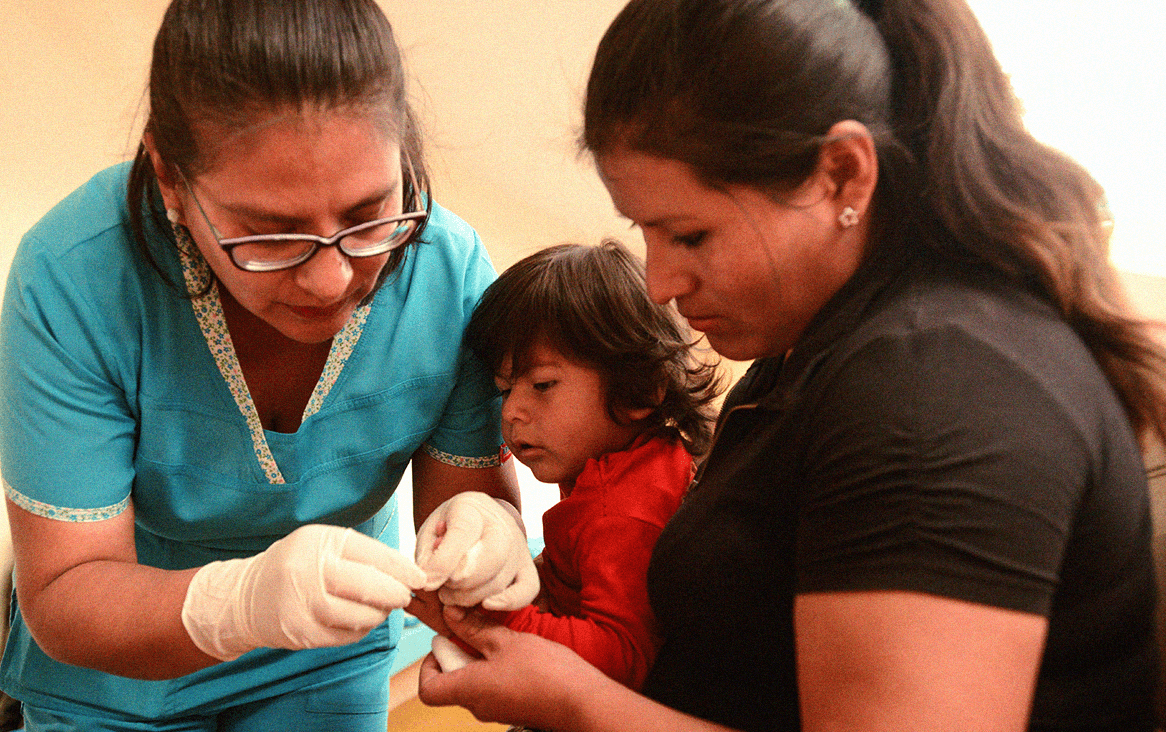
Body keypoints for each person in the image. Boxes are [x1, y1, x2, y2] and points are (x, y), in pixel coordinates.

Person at [417, 0, 1166, 730]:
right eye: (647, 233)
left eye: (691, 236)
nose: (659, 284)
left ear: (841, 176)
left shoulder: (935, 390)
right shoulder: (821, 350)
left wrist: (578, 702)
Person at [0, 1, 535, 729]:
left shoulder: (449, 273)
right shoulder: (73, 278)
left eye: (369, 213)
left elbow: (464, 505)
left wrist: (486, 531)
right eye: (269, 236)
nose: (331, 281)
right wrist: (240, 603)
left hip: (329, 653)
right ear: (170, 180)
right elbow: (67, 590)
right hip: (113, 661)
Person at [429, 241, 720, 691]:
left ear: (640, 388)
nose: (511, 412)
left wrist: (496, 617)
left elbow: (623, 656)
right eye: (505, 390)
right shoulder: (632, 465)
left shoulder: (620, 507)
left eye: (542, 385)